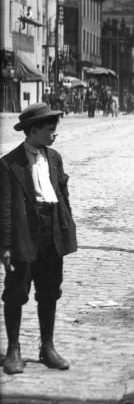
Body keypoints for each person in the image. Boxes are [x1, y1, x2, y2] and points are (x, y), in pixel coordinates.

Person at [1, 103, 77, 376]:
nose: (54, 134)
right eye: (49, 130)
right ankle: (13, 350)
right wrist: (6, 246)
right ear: (33, 131)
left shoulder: (54, 158)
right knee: (16, 292)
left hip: (51, 233)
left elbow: (63, 195)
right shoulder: (10, 164)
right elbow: (5, 209)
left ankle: (47, 348)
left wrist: (66, 228)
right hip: (24, 235)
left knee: (49, 291)